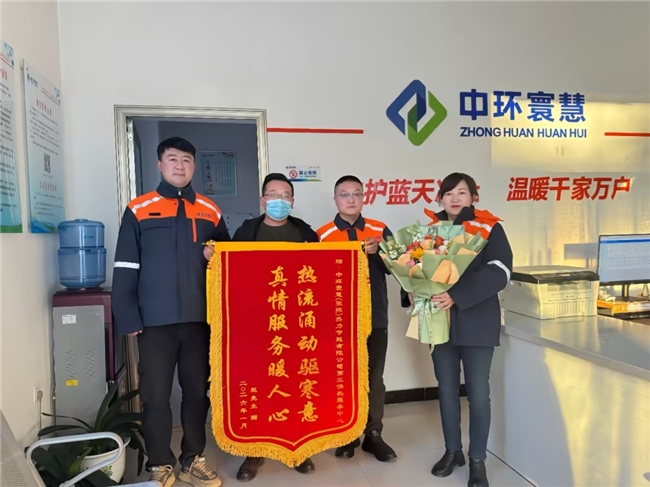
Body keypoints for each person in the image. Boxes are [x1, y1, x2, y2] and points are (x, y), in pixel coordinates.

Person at [112, 137, 229, 487]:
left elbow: (228, 261)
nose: (180, 166)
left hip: (199, 321)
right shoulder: (139, 209)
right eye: (173, 159)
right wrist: (128, 315)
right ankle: (160, 463)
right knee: (155, 397)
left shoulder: (210, 210)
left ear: (194, 166)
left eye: (187, 160)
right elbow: (125, 265)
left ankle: (193, 459)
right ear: (160, 164)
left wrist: (215, 256)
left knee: (196, 393)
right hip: (154, 322)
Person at [402, 173, 512, 487]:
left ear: (474, 197)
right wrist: (412, 291)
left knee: (478, 393)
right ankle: (453, 451)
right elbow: (412, 269)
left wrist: (456, 295)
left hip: (477, 319)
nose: (454, 198)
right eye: (448, 193)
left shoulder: (489, 228)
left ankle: (477, 459)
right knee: (446, 389)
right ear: (440, 198)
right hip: (439, 318)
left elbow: (500, 271)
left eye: (462, 192)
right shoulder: (429, 231)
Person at [227, 172, 320, 482]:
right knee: (259, 386)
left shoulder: (305, 233)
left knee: (296, 385)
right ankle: (254, 452)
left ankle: (298, 449)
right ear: (262, 200)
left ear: (292, 201)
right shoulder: (246, 232)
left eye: (285, 195)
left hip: (295, 324)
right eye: (273, 195)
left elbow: (318, 276)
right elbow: (230, 273)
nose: (279, 200)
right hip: (255, 324)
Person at [316, 175, 397, 463]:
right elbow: (314, 277)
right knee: (343, 376)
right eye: (344, 194)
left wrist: (380, 252)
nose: (351, 199)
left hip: (375, 316)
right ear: (335, 200)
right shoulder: (322, 235)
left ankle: (373, 434)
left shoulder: (379, 230)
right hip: (339, 320)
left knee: (374, 376)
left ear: (364, 198)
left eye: (356, 194)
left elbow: (400, 267)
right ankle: (346, 434)